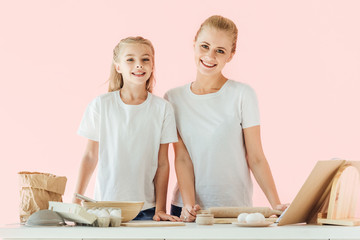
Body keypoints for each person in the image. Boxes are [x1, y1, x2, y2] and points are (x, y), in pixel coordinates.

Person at [165, 15, 287, 222]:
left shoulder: (242, 95)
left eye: (220, 51)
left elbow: (255, 157)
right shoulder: (173, 98)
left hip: (236, 210)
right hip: (189, 210)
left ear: (230, 55)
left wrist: (276, 205)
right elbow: (183, 158)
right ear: (194, 44)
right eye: (204, 46)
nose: (210, 56)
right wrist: (188, 204)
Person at [73, 36, 180, 221]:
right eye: (130, 59)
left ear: (152, 65)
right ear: (118, 67)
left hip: (146, 210)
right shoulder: (101, 105)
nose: (139, 65)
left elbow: (162, 164)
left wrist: (160, 210)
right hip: (104, 209)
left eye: (145, 59)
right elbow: (90, 156)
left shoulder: (162, 109)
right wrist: (75, 201)